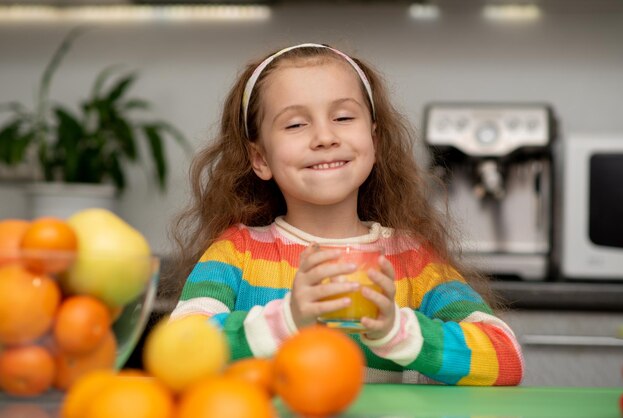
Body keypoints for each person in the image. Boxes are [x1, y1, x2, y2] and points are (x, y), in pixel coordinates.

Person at [169, 43, 524, 386]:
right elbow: (178, 351)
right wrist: (286, 320)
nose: (325, 136)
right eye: (295, 124)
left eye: (342, 117)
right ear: (260, 158)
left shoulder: (413, 260)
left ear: (375, 142)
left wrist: (397, 331)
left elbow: (505, 356)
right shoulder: (236, 253)